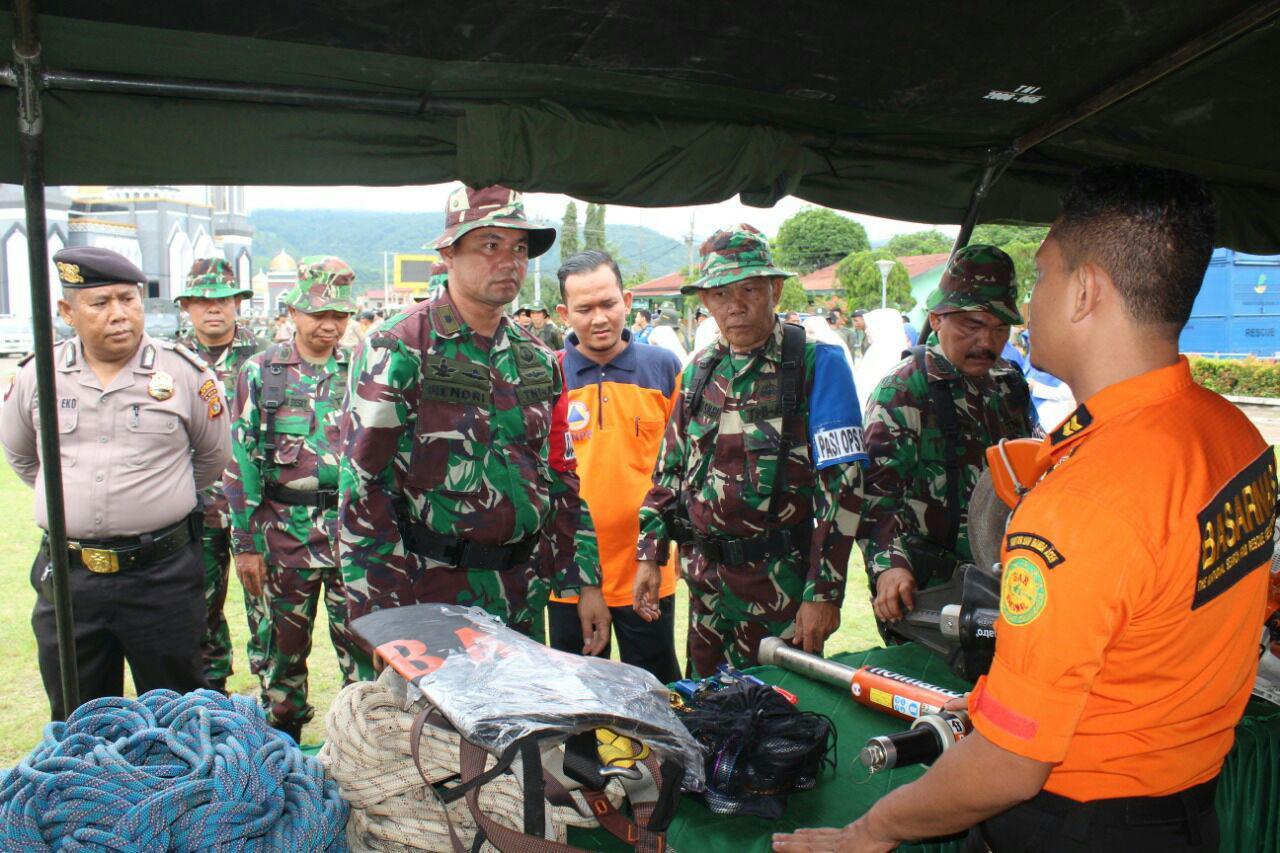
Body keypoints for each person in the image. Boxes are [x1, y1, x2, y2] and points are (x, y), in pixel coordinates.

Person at [776, 165, 1278, 853]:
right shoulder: (1236, 438)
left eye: (1041, 278)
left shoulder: (1080, 505)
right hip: (1186, 805)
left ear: (1086, 292)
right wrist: (990, 703)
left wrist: (869, 831)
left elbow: (1012, 763)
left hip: (1078, 819)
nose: (1028, 305)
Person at [339, 184, 610, 652]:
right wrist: (383, 619)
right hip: (429, 595)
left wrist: (586, 581)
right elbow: (365, 490)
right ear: (448, 252)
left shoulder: (538, 360)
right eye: (490, 245)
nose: (509, 261)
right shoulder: (400, 347)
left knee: (517, 722)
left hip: (521, 595)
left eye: (520, 248)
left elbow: (561, 477)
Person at [0, 246, 230, 720]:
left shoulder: (184, 374)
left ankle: (178, 794)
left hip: (160, 577)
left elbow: (210, 460)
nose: (118, 314)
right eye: (100, 303)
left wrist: (150, 503)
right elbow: (25, 458)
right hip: (70, 579)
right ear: (67, 311)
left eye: (128, 299)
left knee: (177, 717)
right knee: (78, 716)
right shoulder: (36, 374)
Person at [635, 225, 866, 676]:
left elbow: (844, 488)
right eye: (720, 294)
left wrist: (823, 594)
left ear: (775, 290)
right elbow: (669, 472)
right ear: (705, 301)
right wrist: (649, 552)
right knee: (706, 715)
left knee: (779, 726)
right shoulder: (701, 370)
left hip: (778, 591)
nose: (734, 305)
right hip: (707, 592)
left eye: (749, 289)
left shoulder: (817, 363)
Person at [224, 256, 370, 742]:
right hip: (282, 540)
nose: (329, 325)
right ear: (293, 311)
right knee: (280, 667)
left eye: (340, 316)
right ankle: (282, 767)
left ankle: (362, 762)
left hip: (353, 542)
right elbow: (239, 460)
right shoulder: (262, 371)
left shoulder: (362, 370)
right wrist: (244, 544)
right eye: (318, 314)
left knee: (368, 666)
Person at [858, 245, 1036, 627]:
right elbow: (875, 497)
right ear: (937, 319)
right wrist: (889, 567)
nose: (987, 343)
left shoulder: (1009, 385)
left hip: (1008, 581)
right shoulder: (905, 391)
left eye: (1000, 328)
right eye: (972, 326)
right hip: (932, 592)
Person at [548, 250, 683, 683]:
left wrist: (654, 554)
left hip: (647, 570)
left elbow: (676, 474)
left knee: (656, 693)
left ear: (627, 300)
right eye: (584, 309)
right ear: (564, 313)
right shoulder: (548, 374)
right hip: (570, 577)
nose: (599, 318)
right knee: (580, 703)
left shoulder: (663, 368)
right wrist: (578, 577)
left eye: (608, 304)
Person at [173, 257, 264, 693]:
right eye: (202, 300)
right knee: (197, 608)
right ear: (186, 307)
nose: (213, 308)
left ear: (236, 304)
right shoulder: (170, 362)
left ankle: (274, 705)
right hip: (193, 506)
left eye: (222, 299)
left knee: (267, 611)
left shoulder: (267, 358)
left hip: (256, 508)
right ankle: (211, 699)